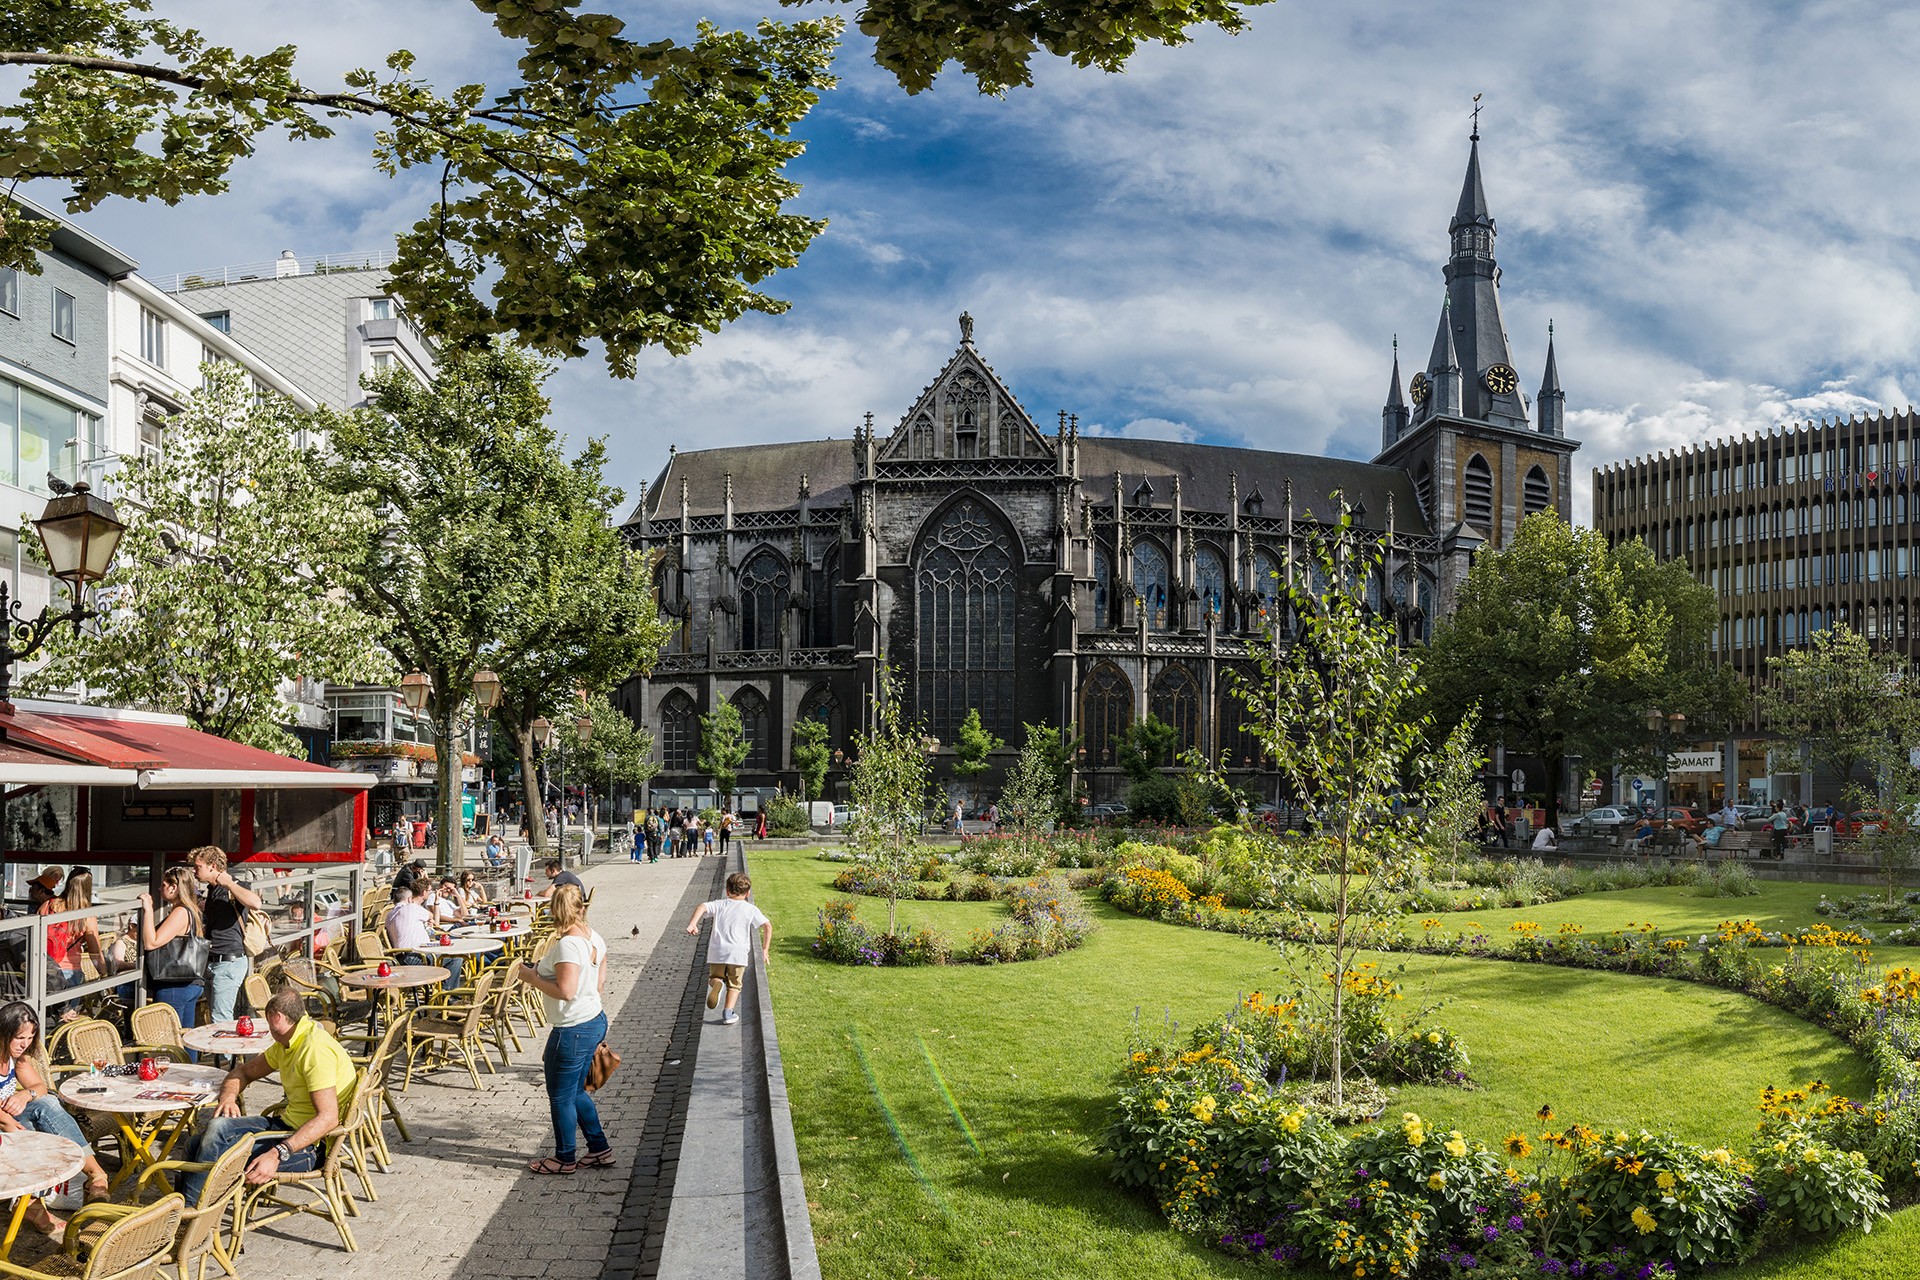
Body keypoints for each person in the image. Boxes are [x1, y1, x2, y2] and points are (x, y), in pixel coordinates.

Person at [174, 989, 357, 1202]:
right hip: (285, 1127)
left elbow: (328, 1118)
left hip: (309, 1147)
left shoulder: (314, 1050)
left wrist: (277, 1153)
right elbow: (241, 1072)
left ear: (276, 1018)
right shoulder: (289, 1041)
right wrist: (228, 1098)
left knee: (215, 1137)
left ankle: (193, 1217)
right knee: (195, 1143)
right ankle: (197, 1210)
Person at [513, 883, 610, 1174]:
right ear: (582, 907)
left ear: (554, 912)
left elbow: (566, 991)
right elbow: (599, 984)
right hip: (594, 1019)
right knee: (576, 1091)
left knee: (560, 1096)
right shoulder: (595, 938)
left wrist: (531, 977)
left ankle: (564, 1158)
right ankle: (599, 1149)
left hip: (572, 1028)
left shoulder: (567, 944)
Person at [0, 1001, 111, 1216]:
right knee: (31, 1125)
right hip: (4, 1124)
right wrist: (6, 1121)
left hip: (10, 1120)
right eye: (20, 1038)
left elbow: (40, 1087)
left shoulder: (16, 1058)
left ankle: (96, 1174)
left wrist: (25, 1094)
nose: (25, 1044)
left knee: (47, 1104)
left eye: (30, 1038)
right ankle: (31, 1203)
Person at [684, 871, 772, 1028]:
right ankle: (728, 1013)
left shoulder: (719, 904)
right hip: (738, 953)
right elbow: (767, 925)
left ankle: (717, 983)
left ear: (727, 891)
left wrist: (693, 924)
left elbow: (702, 906)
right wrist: (765, 949)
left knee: (714, 977)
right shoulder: (750, 909)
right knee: (735, 985)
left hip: (717, 951)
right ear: (748, 893)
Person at [190, 846, 263, 1025]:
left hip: (229, 962)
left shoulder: (234, 885)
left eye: (198, 866)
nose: (194, 870)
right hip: (213, 961)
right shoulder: (212, 890)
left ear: (212, 866)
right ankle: (221, 1053)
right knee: (216, 1016)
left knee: (220, 1019)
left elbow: (256, 903)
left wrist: (230, 883)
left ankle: (225, 1053)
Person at [138, 867, 205, 1031]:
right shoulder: (192, 910)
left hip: (174, 985)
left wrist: (147, 910)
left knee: (167, 1037)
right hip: (189, 983)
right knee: (185, 1037)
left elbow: (151, 942)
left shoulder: (181, 912)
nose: (160, 889)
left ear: (174, 887)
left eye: (163, 885)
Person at [44, 868, 107, 992]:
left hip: (44, 968)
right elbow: (94, 952)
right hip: (69, 970)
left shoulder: (47, 906)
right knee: (68, 1011)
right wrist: (104, 974)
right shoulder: (87, 916)